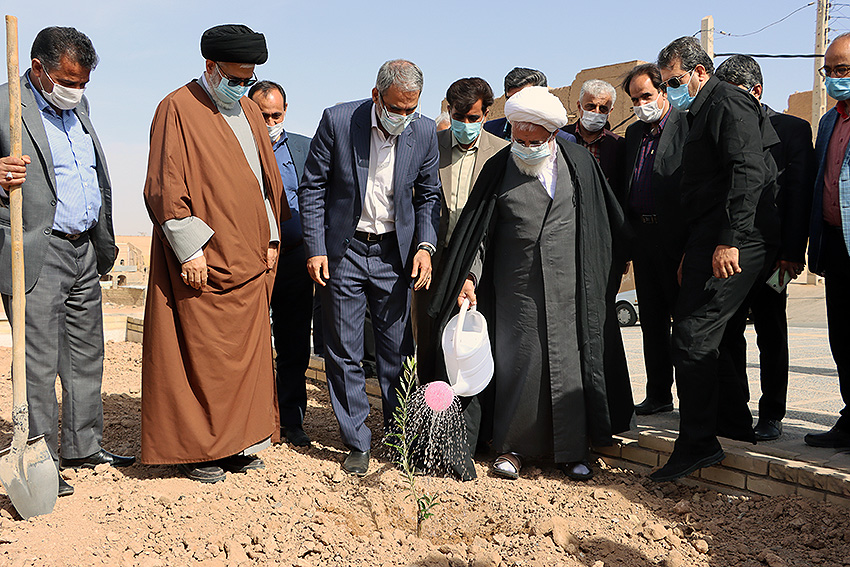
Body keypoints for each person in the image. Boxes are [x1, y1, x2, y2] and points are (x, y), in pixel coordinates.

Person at [429, 86, 630, 481]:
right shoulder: (499, 167)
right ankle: (513, 449)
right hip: (516, 287)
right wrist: (470, 276)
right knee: (520, 364)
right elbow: (479, 234)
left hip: (570, 287)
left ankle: (572, 452)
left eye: (534, 142)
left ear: (552, 135)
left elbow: (600, 223)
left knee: (570, 368)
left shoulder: (579, 163)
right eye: (519, 140)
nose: (525, 148)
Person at [141, 24, 286, 483]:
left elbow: (265, 183)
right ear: (210, 66)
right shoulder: (177, 108)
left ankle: (238, 443)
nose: (241, 87)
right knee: (203, 359)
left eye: (248, 79)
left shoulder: (249, 110)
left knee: (246, 362)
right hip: (204, 261)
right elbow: (165, 186)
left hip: (251, 258)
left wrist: (272, 238)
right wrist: (189, 250)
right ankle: (200, 451)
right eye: (234, 78)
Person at [0, 27, 134, 498]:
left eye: (83, 83)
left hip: (84, 248)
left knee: (85, 354)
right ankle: (42, 461)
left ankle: (83, 445)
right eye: (68, 81)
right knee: (37, 362)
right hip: (37, 248)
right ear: (38, 69)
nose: (76, 91)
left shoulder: (79, 105)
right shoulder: (5, 104)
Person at [299, 59, 441, 476]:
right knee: (344, 350)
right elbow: (313, 187)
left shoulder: (424, 132)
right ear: (377, 95)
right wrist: (316, 247)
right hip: (343, 251)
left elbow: (428, 195)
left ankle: (400, 437)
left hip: (393, 255)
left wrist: (425, 246)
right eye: (395, 108)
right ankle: (357, 441)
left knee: (397, 351)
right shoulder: (340, 121)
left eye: (411, 109)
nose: (402, 117)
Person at [650, 37, 779, 482]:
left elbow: (748, 171)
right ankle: (730, 426)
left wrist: (729, 241)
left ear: (700, 72)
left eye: (674, 81)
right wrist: (696, 247)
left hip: (737, 237)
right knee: (712, 337)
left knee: (692, 336)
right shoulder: (702, 110)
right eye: (665, 84)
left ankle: (698, 443)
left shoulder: (728, 102)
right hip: (710, 236)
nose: (669, 91)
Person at [715, 55, 816, 442]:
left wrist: (792, 253)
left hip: (776, 258)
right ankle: (735, 412)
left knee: (771, 332)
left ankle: (772, 413)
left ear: (756, 91)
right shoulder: (719, 128)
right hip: (732, 255)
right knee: (729, 332)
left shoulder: (792, 130)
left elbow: (798, 195)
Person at [413, 77, 507, 384]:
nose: (465, 124)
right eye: (459, 117)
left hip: (477, 264)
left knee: (469, 343)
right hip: (433, 261)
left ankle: (468, 409)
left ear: (486, 114)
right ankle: (429, 404)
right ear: (449, 111)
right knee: (429, 340)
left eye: (473, 118)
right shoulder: (431, 146)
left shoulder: (501, 153)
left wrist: (473, 271)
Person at [248, 80, 313, 447]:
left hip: (295, 261)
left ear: (285, 111)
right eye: (263, 116)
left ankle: (291, 419)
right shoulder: (236, 147)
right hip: (253, 262)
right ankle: (255, 420)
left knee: (294, 344)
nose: (271, 122)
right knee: (251, 343)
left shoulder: (305, 148)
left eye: (276, 115)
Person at [621, 63, 688, 417]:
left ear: (663, 92)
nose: (641, 104)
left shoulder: (686, 125)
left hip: (676, 239)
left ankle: (692, 399)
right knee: (652, 320)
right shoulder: (634, 134)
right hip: (643, 239)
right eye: (634, 99)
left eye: (646, 96)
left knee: (685, 324)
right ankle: (658, 393)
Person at [804, 33, 850, 450]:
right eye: (829, 70)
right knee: (843, 339)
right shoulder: (828, 121)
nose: (835, 77)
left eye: (843, 70)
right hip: (836, 246)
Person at [562, 79, 626, 193]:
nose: (596, 112)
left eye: (603, 108)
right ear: (579, 106)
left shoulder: (618, 145)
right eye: (590, 106)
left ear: (610, 111)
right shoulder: (561, 137)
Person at [483, 67, 576, 143]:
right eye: (511, 100)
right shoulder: (488, 131)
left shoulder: (564, 140)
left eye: (522, 100)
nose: (516, 106)